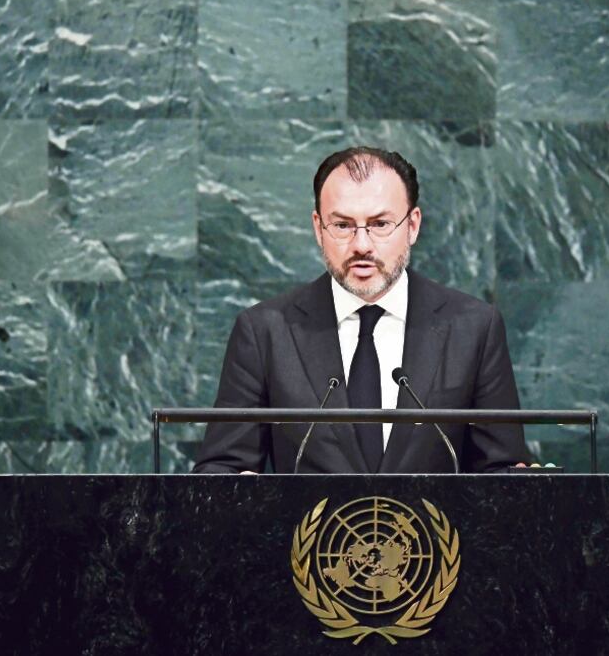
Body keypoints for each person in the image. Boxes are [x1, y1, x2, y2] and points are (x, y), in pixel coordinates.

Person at [192, 146, 530, 474]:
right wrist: (236, 490)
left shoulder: (472, 328)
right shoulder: (265, 332)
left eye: (380, 224)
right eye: (342, 226)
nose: (362, 245)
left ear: (412, 226)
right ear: (318, 228)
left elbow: (501, 472)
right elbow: (222, 468)